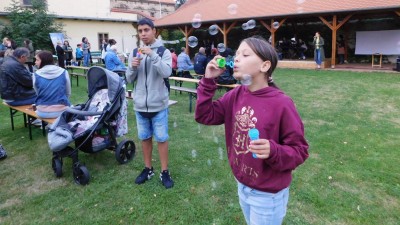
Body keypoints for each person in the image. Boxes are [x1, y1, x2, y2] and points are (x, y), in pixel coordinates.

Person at [195, 36, 309, 225]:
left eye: (245, 54)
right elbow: (205, 115)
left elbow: (300, 150)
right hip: (243, 184)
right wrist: (208, 81)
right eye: (237, 54)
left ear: (264, 66)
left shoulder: (281, 104)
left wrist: (274, 151)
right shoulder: (235, 94)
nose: (236, 58)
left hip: (267, 195)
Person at [126, 18, 174, 189]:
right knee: (145, 138)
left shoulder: (163, 52)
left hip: (158, 105)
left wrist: (152, 55)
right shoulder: (134, 52)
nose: (143, 34)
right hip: (140, 105)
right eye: (140, 31)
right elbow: (129, 78)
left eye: (146, 30)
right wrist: (131, 67)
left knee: (161, 138)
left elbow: (166, 72)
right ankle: (148, 169)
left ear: (154, 31)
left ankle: (165, 171)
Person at [32, 50, 71, 118]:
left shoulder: (35, 75)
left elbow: (38, 93)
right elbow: (68, 93)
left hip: (42, 112)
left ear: (44, 60)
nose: (35, 62)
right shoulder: (64, 72)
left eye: (37, 60)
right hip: (62, 110)